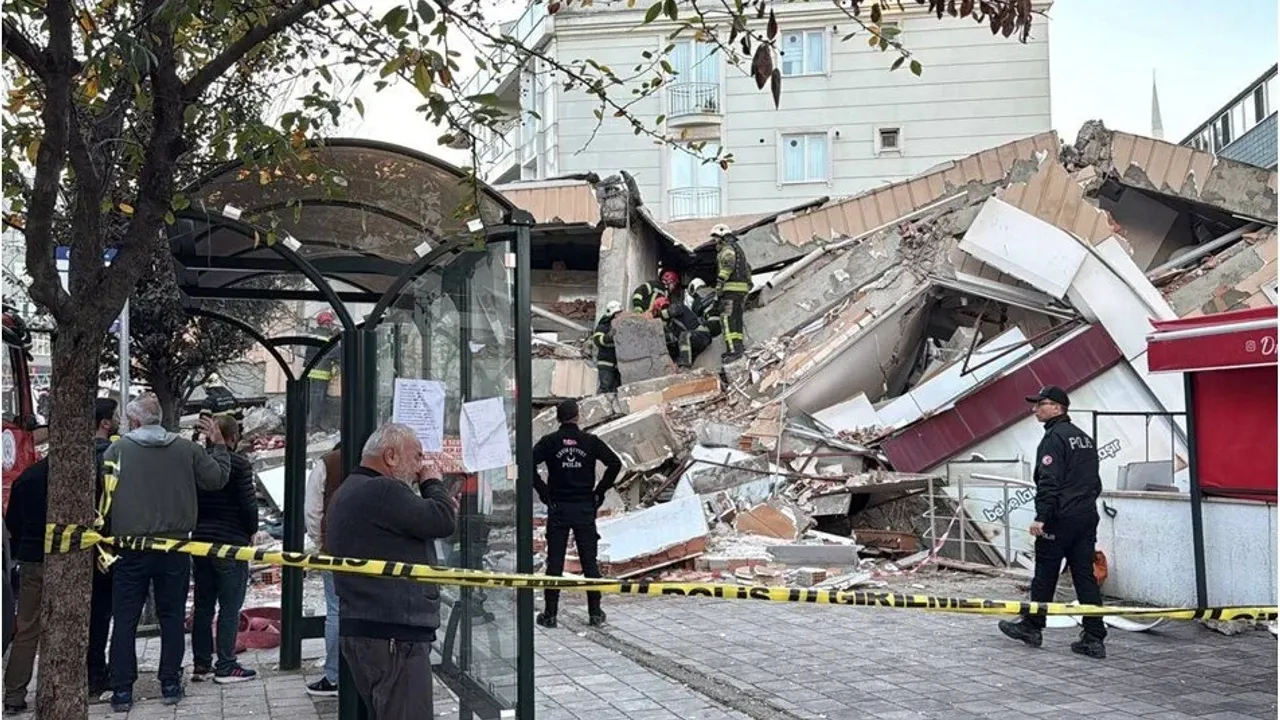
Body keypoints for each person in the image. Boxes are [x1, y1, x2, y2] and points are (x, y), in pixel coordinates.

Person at [104, 394, 232, 712]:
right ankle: (171, 683)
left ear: (133, 422)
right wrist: (218, 444)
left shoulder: (117, 450)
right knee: (172, 618)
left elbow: (103, 494)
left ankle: (121, 691)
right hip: (175, 547)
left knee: (125, 619)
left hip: (130, 548)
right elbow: (216, 479)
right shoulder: (186, 449)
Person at [328, 424, 456, 720]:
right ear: (391, 456)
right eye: (417, 457)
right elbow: (442, 520)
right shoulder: (383, 489)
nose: (420, 467)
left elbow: (423, 524)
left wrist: (440, 507)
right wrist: (433, 485)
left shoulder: (352, 489)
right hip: (394, 635)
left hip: (371, 630)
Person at [4, 398, 118, 712]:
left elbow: (12, 522)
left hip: (32, 561)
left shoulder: (28, 478)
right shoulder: (82, 478)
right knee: (75, 623)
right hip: (73, 559)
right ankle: (78, 682)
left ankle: (14, 695)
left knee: (27, 628)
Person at [998, 386, 1107, 659]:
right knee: (1084, 576)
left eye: (1041, 404)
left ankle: (1033, 626)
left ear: (1058, 408)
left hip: (1060, 519)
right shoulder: (1084, 439)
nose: (1035, 409)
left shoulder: (1054, 439)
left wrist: (1041, 517)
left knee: (1045, 574)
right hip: (1085, 516)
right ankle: (1094, 636)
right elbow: (1095, 482)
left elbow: (1049, 481)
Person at [532, 399, 622, 629]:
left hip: (559, 507)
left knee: (555, 562)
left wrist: (543, 492)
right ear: (577, 416)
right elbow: (615, 463)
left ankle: (550, 614)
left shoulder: (550, 442)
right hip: (584, 507)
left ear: (558, 417)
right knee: (589, 561)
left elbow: (526, 463)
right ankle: (594, 612)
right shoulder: (589, 442)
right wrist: (599, 491)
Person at [190, 415, 260, 684]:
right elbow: (248, 504)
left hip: (201, 540)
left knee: (203, 604)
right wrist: (251, 530)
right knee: (230, 605)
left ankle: (201, 663)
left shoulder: (198, 464)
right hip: (231, 542)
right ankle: (226, 664)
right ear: (232, 438)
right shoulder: (240, 464)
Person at [302, 443, 344, 697]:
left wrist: (320, 544)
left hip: (335, 551)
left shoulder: (327, 463)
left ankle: (335, 675)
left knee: (336, 611)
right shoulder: (381, 460)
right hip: (374, 553)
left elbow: (313, 510)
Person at [89, 397, 120, 695]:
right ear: (105, 422)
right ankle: (98, 673)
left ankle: (93, 670)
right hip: (108, 548)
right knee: (103, 613)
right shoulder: (113, 456)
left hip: (83, 546)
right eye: (117, 415)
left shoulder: (75, 456)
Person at [711, 223, 751, 362]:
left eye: (715, 237)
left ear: (722, 236)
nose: (714, 240)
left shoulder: (727, 249)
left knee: (726, 319)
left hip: (730, 290)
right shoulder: (739, 249)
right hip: (741, 290)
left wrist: (719, 285)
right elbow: (748, 269)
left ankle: (733, 351)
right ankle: (739, 347)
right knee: (737, 319)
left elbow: (728, 264)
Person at [653, 295, 710, 369]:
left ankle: (685, 366)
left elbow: (671, 311)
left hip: (702, 336)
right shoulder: (670, 326)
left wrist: (653, 316)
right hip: (692, 345)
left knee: (684, 335)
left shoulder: (679, 307)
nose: (665, 309)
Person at [592, 301, 623, 394]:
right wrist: (608, 337)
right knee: (606, 389)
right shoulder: (603, 325)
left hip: (617, 364)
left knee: (616, 389)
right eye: (617, 313)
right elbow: (597, 340)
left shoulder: (621, 325)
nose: (619, 315)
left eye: (620, 313)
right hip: (606, 363)